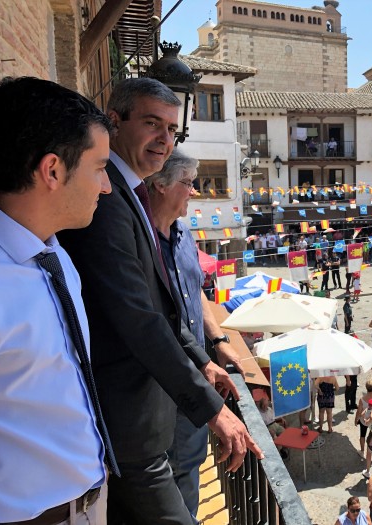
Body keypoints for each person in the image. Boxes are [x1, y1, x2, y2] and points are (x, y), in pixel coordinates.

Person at [58, 77, 263, 523]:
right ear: (114, 121)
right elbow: (139, 318)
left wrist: (203, 359)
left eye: (172, 130)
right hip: (127, 425)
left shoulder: (126, 192)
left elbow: (162, 306)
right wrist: (214, 411)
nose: (165, 140)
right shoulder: (107, 196)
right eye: (153, 124)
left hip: (144, 421)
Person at [0, 76, 113, 523]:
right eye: (99, 168)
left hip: (86, 503)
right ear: (52, 170)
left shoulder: (54, 254)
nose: (106, 187)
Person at [147, 149, 246, 522]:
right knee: (164, 477)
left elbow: (197, 293)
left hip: (199, 377)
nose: (195, 192)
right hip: (164, 384)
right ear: (159, 184)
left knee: (188, 466)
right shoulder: (142, 242)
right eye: (188, 183)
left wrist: (219, 341)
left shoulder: (185, 233)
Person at [355, 381, 372, 458]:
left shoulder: (362, 399)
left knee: (362, 435)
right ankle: (371, 447)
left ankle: (362, 451)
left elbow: (359, 411)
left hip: (364, 421)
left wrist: (356, 419)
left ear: (366, 388)